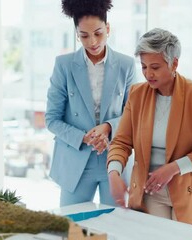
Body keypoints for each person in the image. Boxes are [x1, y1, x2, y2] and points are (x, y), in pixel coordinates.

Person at [106, 28, 192, 224]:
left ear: (174, 63)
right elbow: (122, 142)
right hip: (150, 190)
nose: (148, 74)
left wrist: (174, 168)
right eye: (143, 67)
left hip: (190, 188)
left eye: (155, 67)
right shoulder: (137, 94)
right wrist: (114, 172)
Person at [45, 0, 136, 207]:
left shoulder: (126, 65)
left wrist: (108, 128)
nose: (92, 41)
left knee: (116, 226)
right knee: (74, 228)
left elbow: (134, 114)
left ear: (108, 29)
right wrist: (84, 138)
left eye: (98, 33)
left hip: (114, 159)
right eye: (84, 36)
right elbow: (51, 119)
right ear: (77, 34)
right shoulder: (64, 65)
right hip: (75, 159)